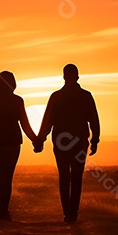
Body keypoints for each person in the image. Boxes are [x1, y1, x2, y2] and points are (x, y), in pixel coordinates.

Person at [35, 64, 100, 223]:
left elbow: (47, 121)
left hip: (61, 143)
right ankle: (73, 213)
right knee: (76, 178)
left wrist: (40, 140)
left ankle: (67, 213)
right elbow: (94, 120)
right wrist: (95, 140)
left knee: (64, 176)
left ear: (64, 77)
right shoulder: (85, 96)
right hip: (79, 143)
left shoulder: (56, 96)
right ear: (77, 76)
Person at [0, 71, 38, 220]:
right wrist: (35, 140)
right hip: (11, 143)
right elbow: (25, 124)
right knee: (7, 177)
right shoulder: (17, 101)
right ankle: (4, 209)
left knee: (0, 176)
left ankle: (2, 209)